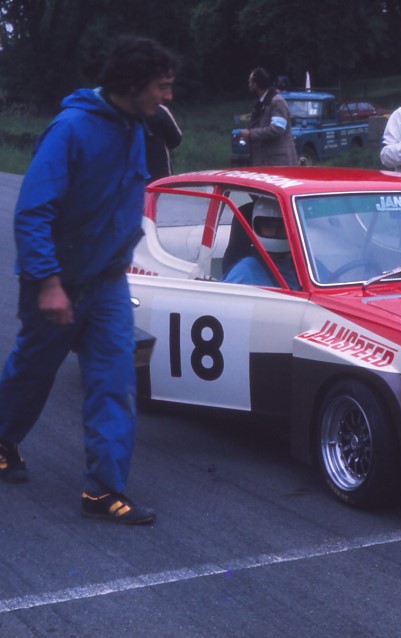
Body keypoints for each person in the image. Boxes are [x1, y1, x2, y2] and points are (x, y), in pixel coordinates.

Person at [0, 36, 178, 524]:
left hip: (107, 283)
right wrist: (48, 282)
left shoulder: (135, 126)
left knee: (115, 379)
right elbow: (32, 212)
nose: (168, 96)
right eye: (161, 86)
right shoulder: (71, 129)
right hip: (57, 281)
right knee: (32, 371)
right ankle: (3, 439)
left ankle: (103, 490)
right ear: (133, 84)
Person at [222, 198, 300, 290]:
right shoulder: (245, 271)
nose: (274, 232)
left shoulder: (306, 264)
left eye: (281, 226)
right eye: (268, 226)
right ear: (256, 227)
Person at [234, 67, 298, 167]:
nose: (249, 85)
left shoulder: (277, 102)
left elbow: (277, 129)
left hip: (279, 164)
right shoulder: (262, 103)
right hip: (265, 162)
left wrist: (250, 134)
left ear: (256, 84)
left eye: (250, 82)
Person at [144, 103, 182, 181]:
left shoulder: (125, 110)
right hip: (160, 172)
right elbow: (176, 139)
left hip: (131, 174)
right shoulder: (160, 110)